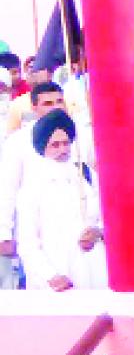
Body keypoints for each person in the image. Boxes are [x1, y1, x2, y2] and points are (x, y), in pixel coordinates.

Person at [16, 109, 106, 291]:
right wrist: (51, 276)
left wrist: (98, 231)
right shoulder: (32, 186)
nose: (63, 150)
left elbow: (107, 215)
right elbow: (27, 243)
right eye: (55, 145)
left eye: (66, 143)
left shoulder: (86, 175)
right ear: (43, 147)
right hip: (56, 278)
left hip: (94, 270)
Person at [0, 82, 69, 289]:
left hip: (73, 227)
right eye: (47, 103)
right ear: (34, 108)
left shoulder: (75, 136)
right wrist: (4, 233)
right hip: (36, 226)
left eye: (59, 101)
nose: (55, 107)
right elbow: (7, 188)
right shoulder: (18, 141)